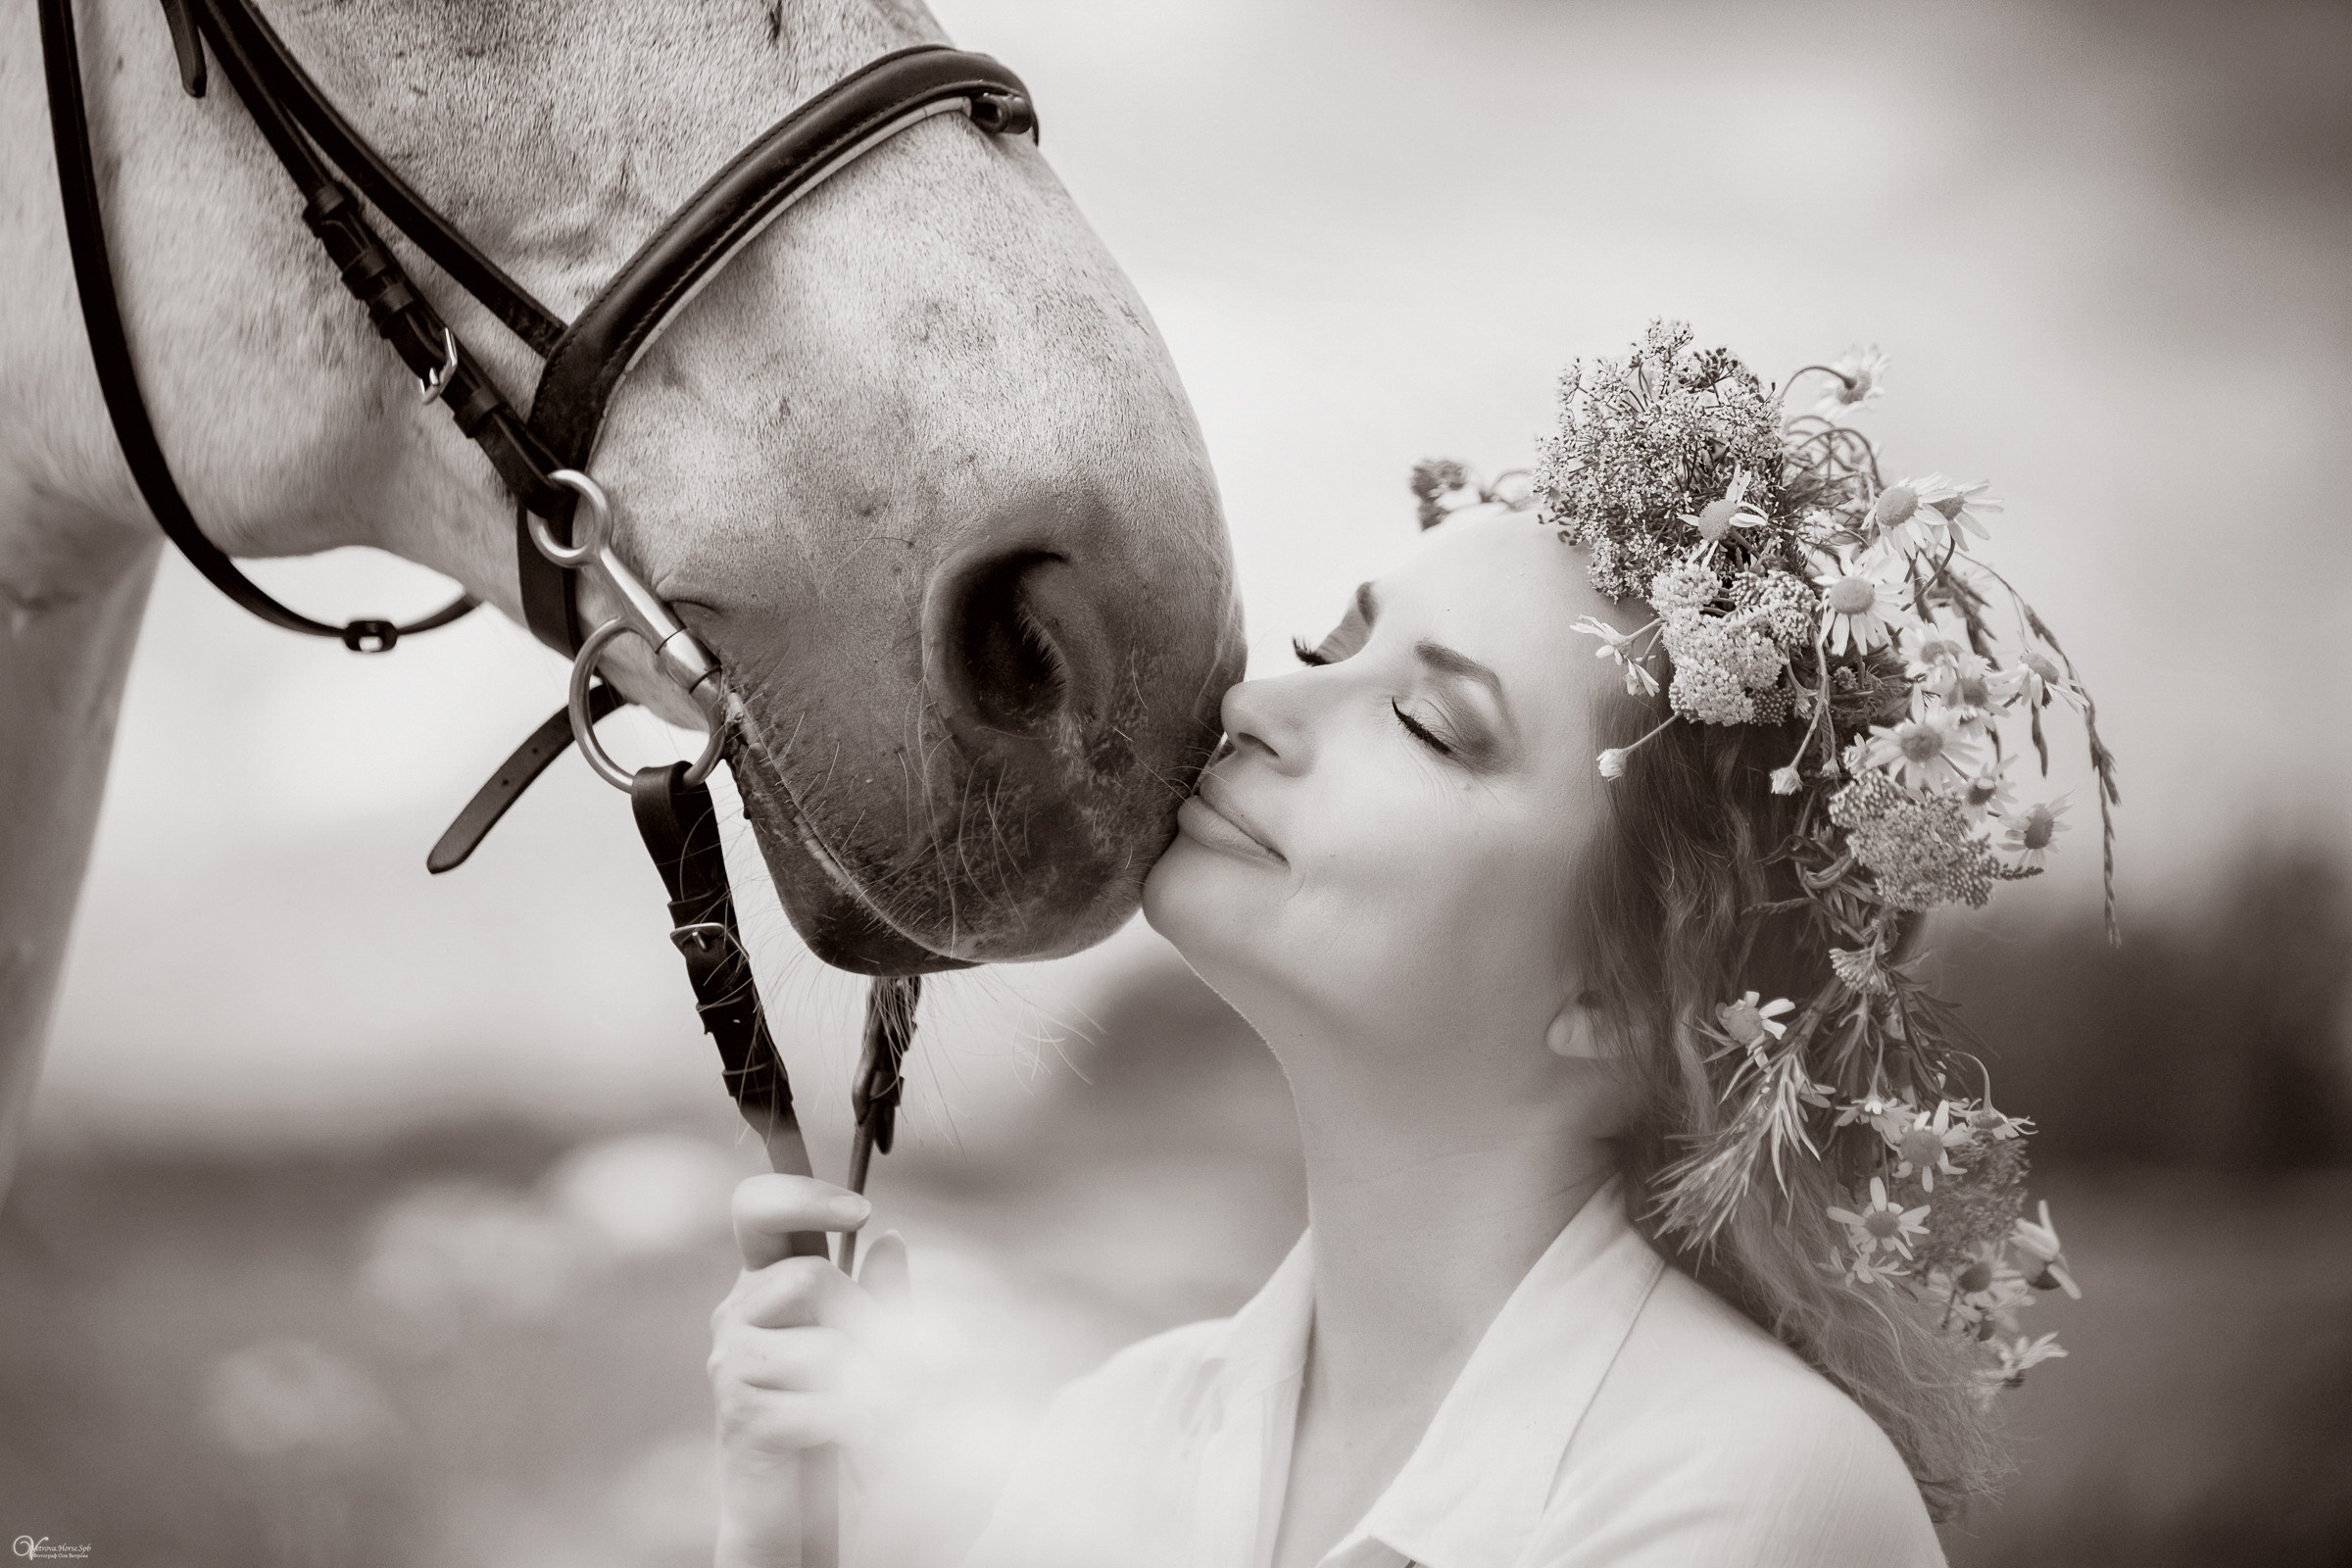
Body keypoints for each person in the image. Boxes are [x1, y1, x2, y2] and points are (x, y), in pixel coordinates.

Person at [707, 328, 2099, 1567]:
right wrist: (790, 1534)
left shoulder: (1750, 1496)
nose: (1258, 705)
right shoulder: (1107, 1440)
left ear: (1620, 994)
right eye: (1327, 647)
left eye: (1431, 726)